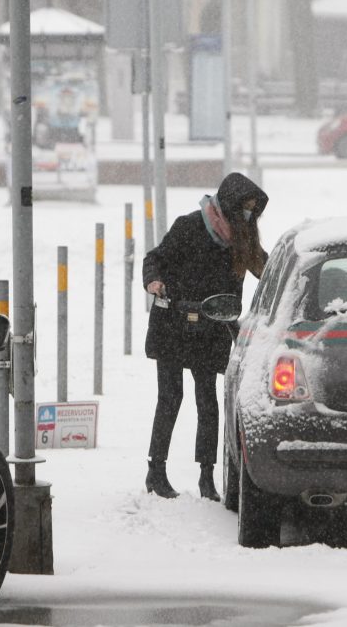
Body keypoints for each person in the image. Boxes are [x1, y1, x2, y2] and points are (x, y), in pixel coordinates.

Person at [142, 172, 269, 499]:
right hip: (174, 320)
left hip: (211, 326)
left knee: (207, 401)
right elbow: (155, 258)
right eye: (244, 209)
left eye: (252, 211)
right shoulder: (190, 226)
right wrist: (153, 281)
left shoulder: (242, 239)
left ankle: (206, 476)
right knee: (170, 398)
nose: (247, 217)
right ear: (229, 205)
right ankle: (156, 471)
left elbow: (266, 270)